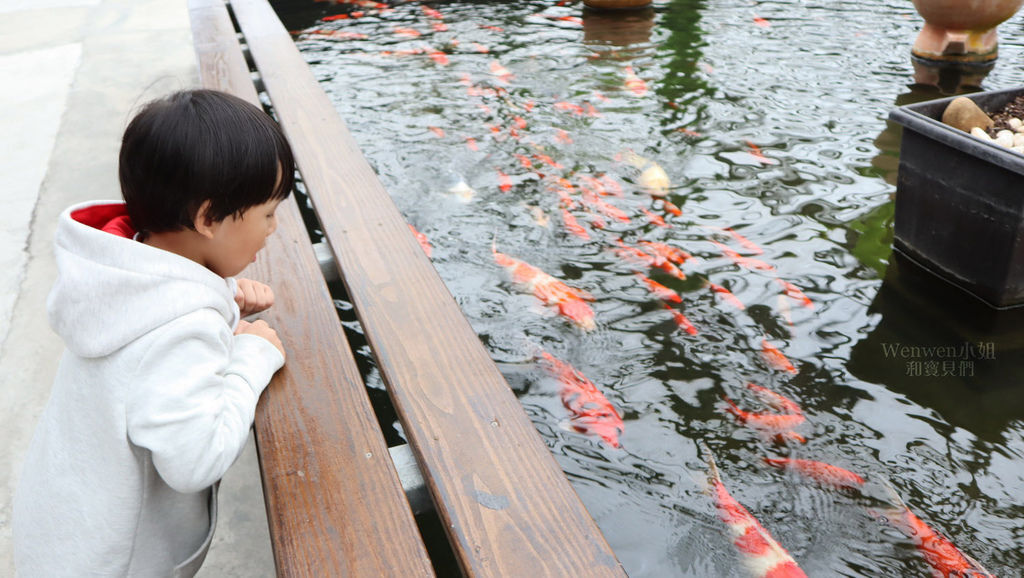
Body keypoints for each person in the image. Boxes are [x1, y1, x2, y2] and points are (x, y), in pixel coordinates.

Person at [12, 89, 295, 576]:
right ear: (207, 218)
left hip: (64, 529)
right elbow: (195, 460)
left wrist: (219, 296)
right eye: (267, 213)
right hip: (115, 561)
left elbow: (157, 334)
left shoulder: (122, 275)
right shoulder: (178, 330)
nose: (273, 228)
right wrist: (251, 357)